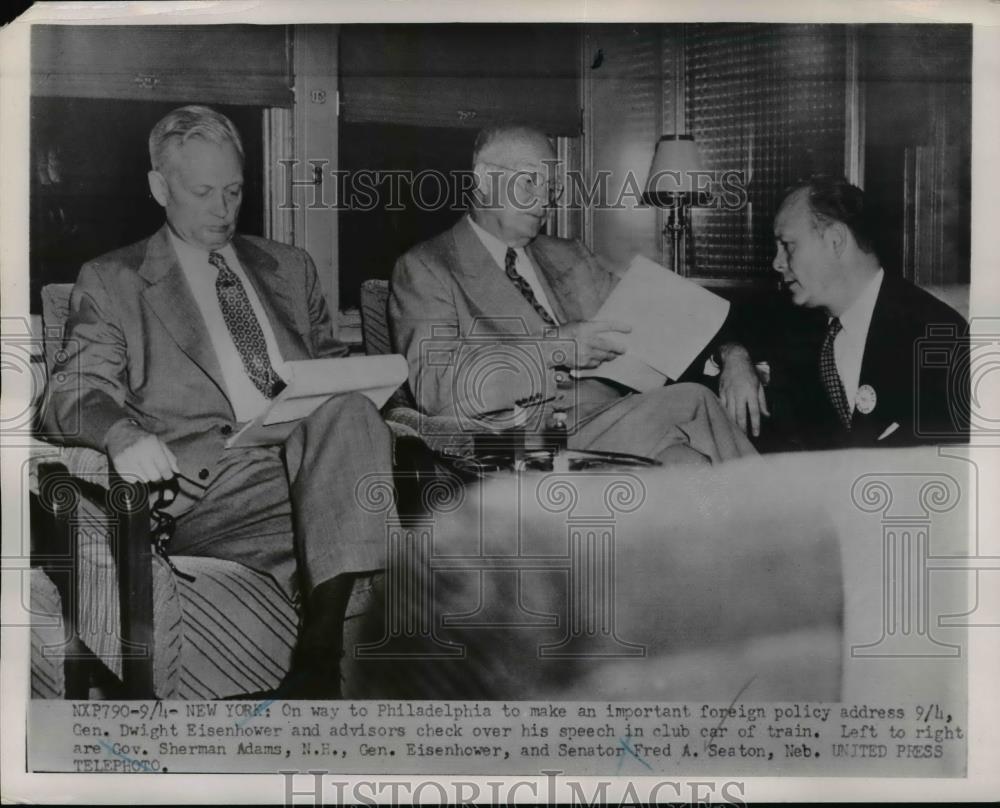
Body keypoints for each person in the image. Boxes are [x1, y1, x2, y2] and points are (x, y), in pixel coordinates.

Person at [44, 105, 395, 698]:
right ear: (160, 187)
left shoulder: (290, 267)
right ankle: (319, 664)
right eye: (203, 191)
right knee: (402, 511)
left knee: (357, 417)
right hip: (210, 490)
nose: (223, 209)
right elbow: (71, 392)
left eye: (234, 190)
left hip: (309, 463)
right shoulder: (114, 279)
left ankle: (317, 663)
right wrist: (122, 435)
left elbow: (334, 373)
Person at [389, 124, 758, 465]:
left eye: (551, 187)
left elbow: (671, 316)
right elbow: (435, 390)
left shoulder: (567, 254)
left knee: (691, 468)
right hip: (525, 441)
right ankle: (791, 516)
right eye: (530, 181)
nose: (544, 198)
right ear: (484, 179)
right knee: (695, 401)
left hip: (618, 421)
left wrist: (734, 356)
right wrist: (555, 347)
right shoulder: (428, 267)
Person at [747, 176, 969, 449]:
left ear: (836, 241)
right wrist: (733, 355)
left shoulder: (937, 335)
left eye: (788, 245)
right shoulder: (798, 325)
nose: (777, 263)